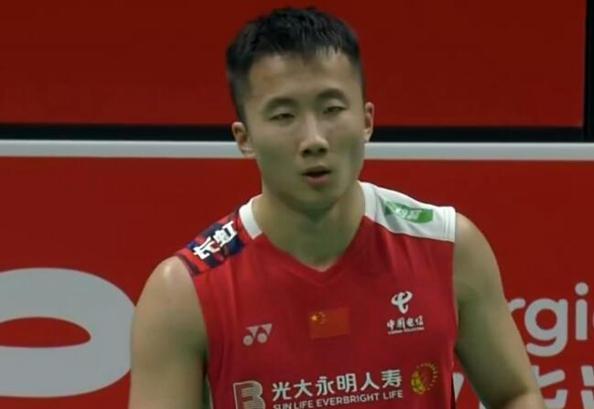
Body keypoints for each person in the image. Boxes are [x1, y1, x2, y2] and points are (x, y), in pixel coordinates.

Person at [128, 7, 545, 409]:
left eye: (331, 109)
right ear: (244, 138)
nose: (314, 139)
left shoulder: (449, 247)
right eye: (284, 115)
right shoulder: (182, 294)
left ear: (366, 120)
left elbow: (515, 395)